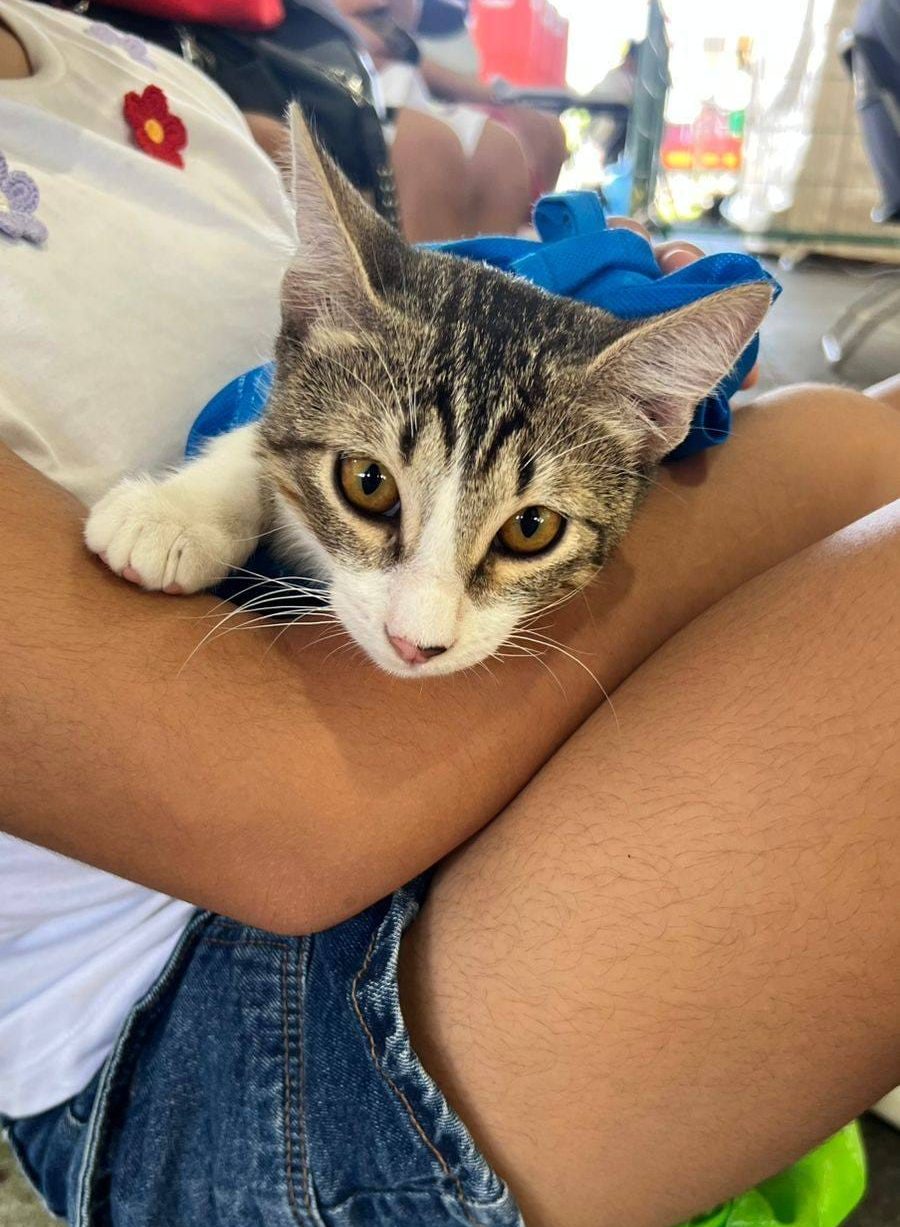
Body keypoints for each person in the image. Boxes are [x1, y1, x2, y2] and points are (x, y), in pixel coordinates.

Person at [1, 5, 899, 1227]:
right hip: (179, 1020)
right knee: (863, 461)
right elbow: (284, 824)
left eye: (519, 538)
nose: (420, 626)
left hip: (433, 813)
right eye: (373, 495)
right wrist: (789, 471)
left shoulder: (154, 78)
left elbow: (314, 389)